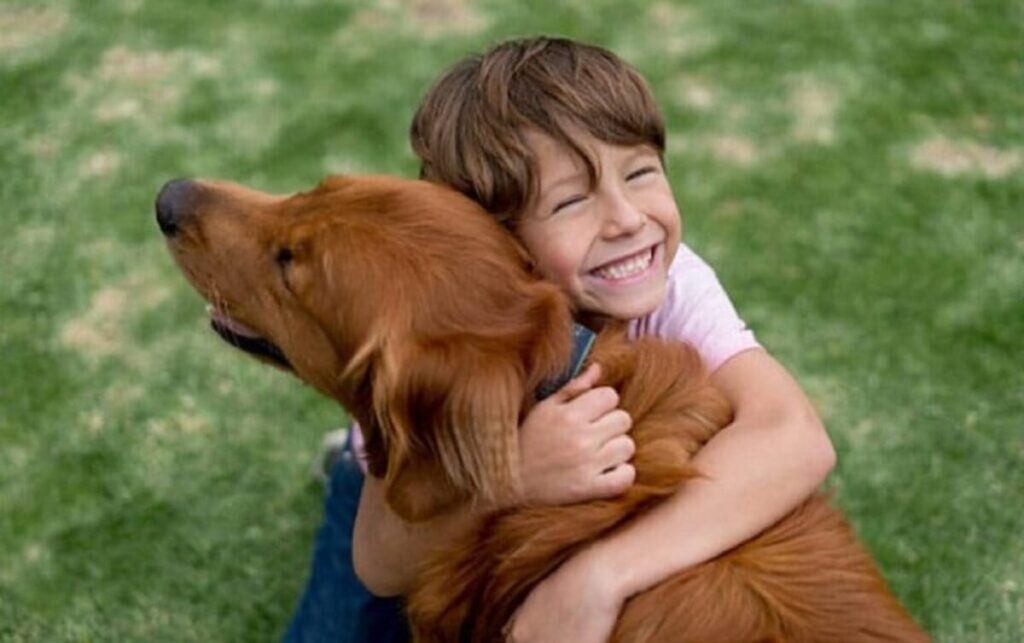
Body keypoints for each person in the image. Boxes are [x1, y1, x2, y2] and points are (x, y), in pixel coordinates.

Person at [284, 36, 836, 643]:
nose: (627, 218)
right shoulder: (431, 333)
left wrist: (600, 578)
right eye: (572, 201)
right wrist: (511, 478)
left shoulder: (672, 281)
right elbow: (381, 564)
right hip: (433, 487)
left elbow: (795, 438)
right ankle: (349, 463)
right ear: (500, 244)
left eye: (642, 172)